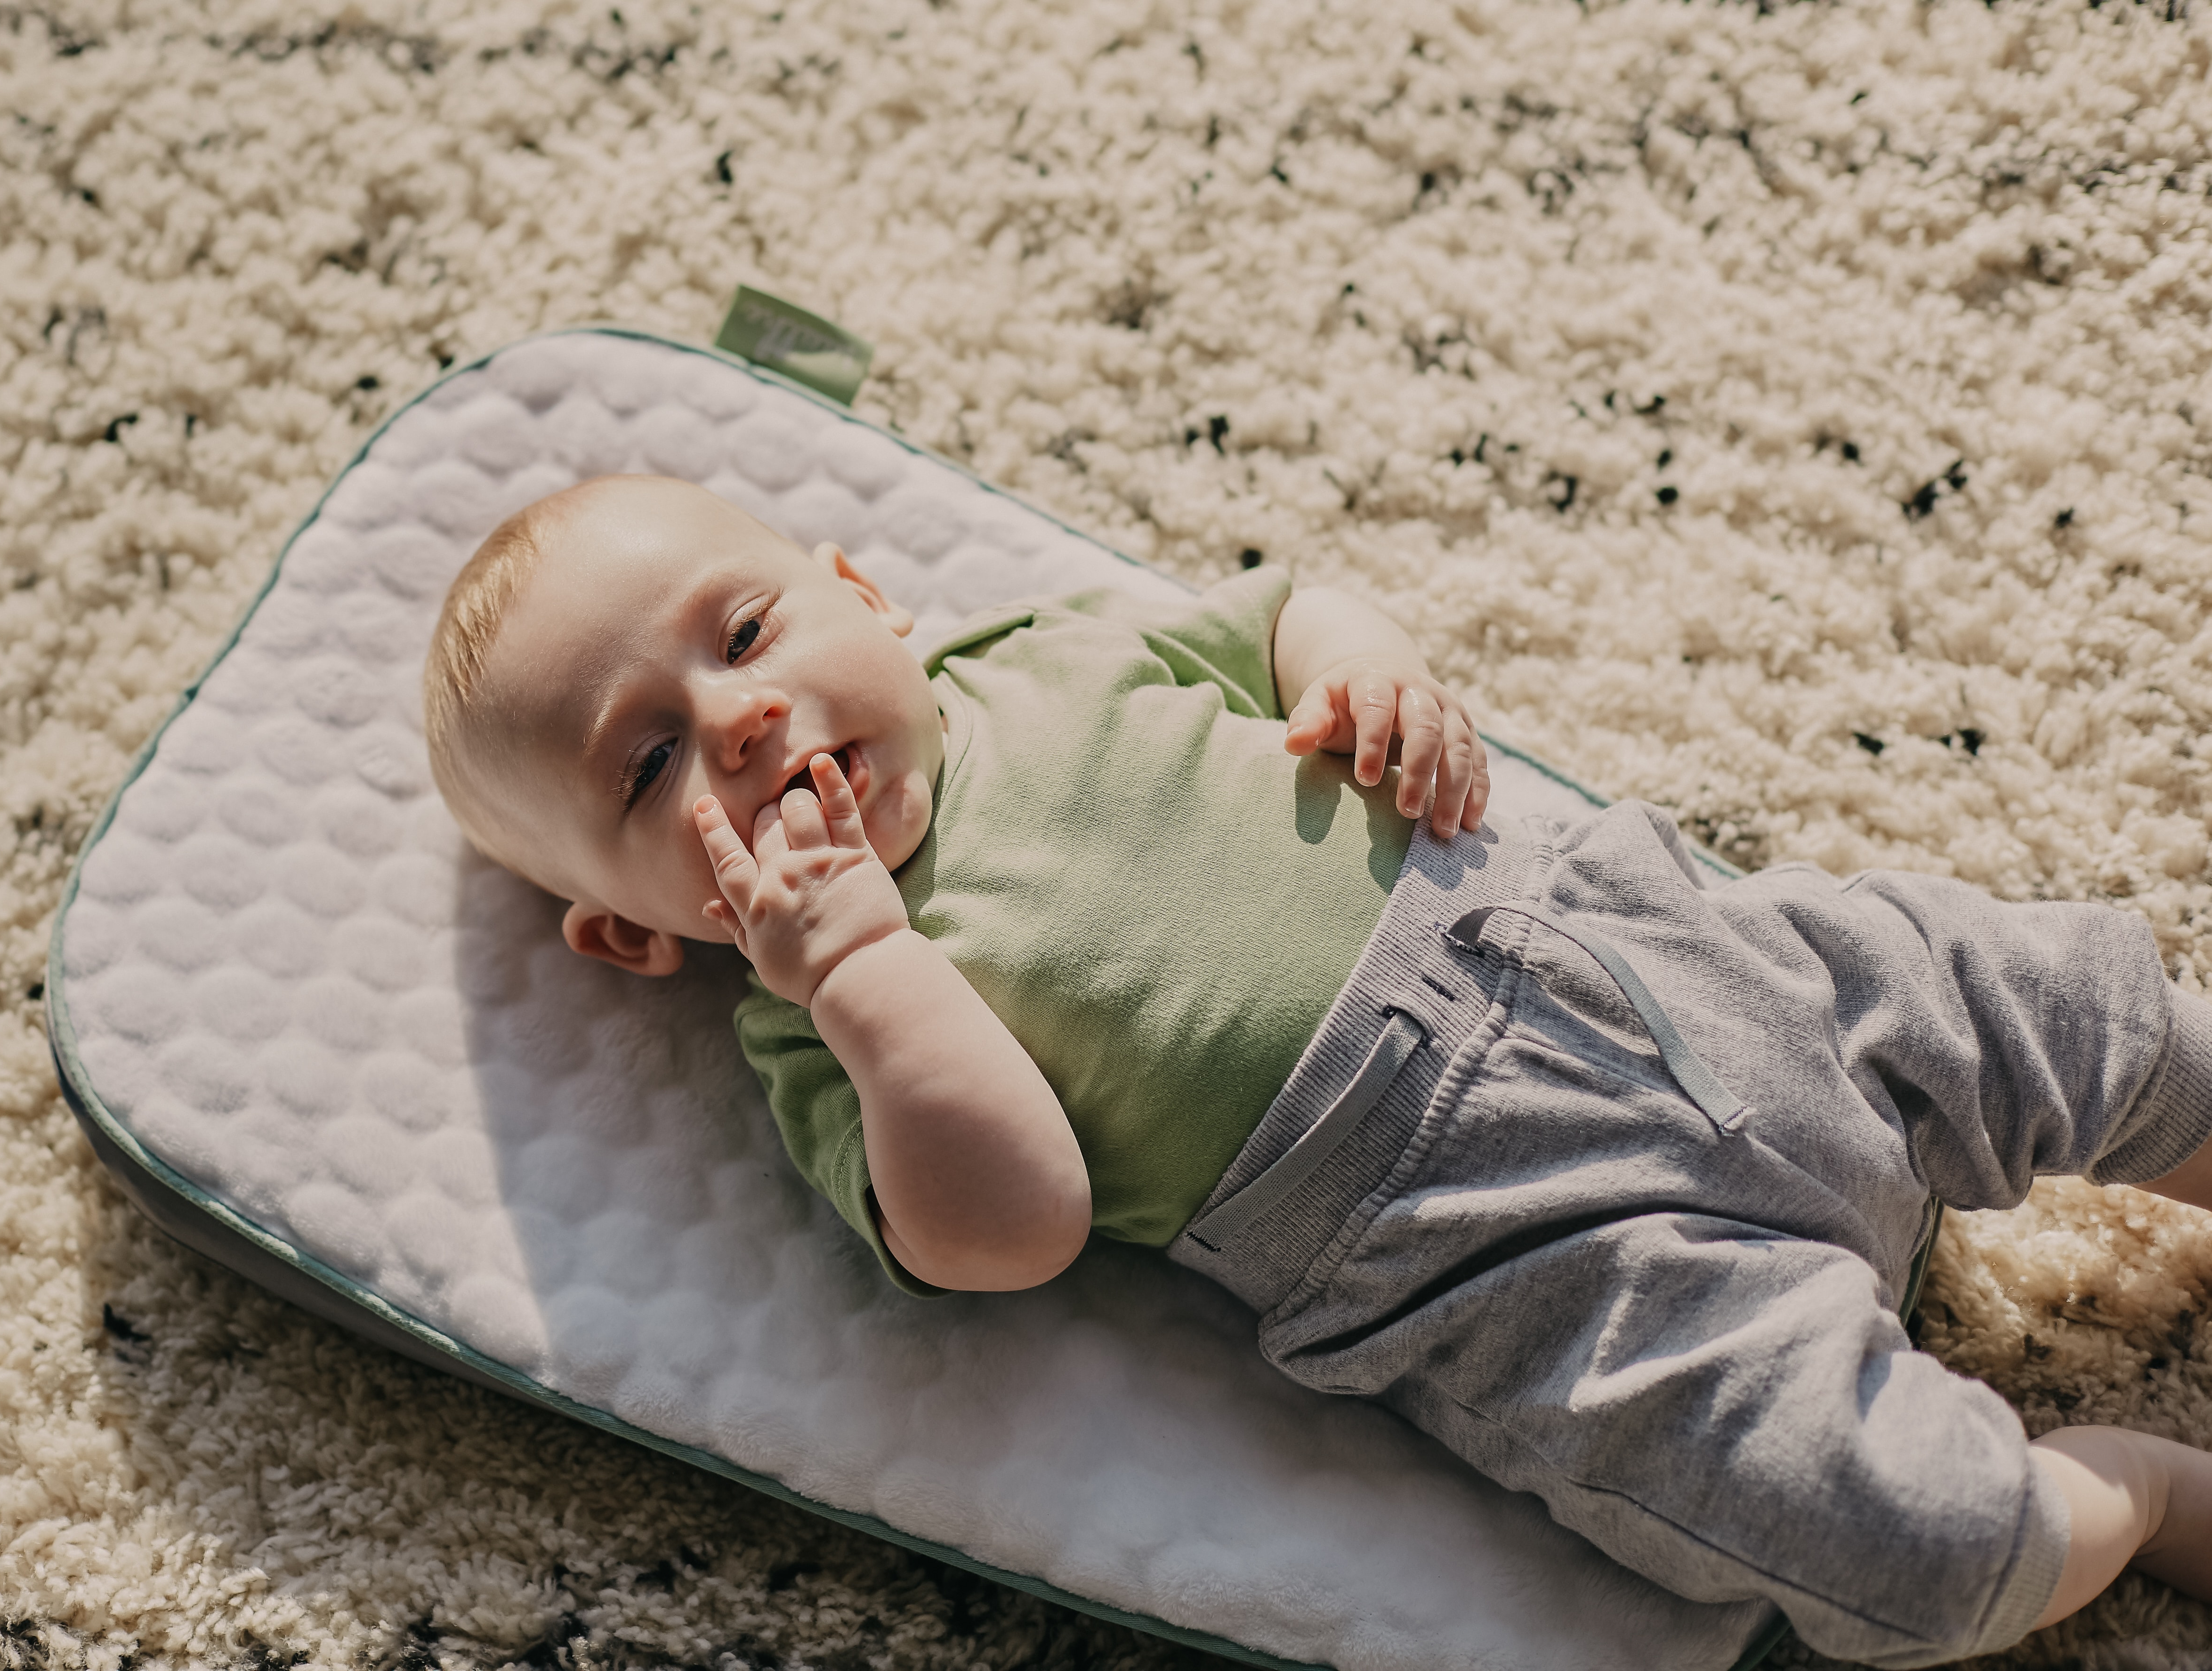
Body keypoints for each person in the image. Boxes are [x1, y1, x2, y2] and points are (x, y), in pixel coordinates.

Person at [421, 471, 2212, 1666]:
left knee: (2068, 1013)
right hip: (1515, 1250)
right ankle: (2121, 1495)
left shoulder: (1038, 656)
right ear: (633, 936)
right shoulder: (813, 1026)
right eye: (647, 768)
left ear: (860, 593)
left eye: (742, 635)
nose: (737, 722)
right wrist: (863, 971)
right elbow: (1008, 1230)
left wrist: (1367, 672)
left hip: (1646, 953)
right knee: (1907, 1555)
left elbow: (1285, 611)